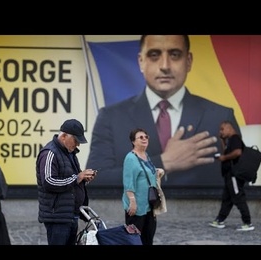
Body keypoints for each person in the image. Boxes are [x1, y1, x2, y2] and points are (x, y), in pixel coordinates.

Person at [86, 35, 241, 187]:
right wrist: (164, 162)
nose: (165, 66)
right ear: (141, 62)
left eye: (175, 55)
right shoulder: (111, 118)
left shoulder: (220, 117)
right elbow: (94, 180)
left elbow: (242, 180)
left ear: (188, 61)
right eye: (154, 55)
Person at [36, 119, 97, 245]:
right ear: (64, 136)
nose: (78, 145)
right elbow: (49, 182)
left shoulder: (70, 153)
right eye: (76, 140)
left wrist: (83, 179)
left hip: (70, 214)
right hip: (57, 217)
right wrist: (78, 178)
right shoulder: (50, 153)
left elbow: (73, 179)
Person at [209, 121, 254, 231]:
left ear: (229, 128)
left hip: (234, 176)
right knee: (227, 199)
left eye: (222, 129)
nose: (221, 132)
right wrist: (223, 141)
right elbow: (226, 152)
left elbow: (237, 152)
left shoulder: (235, 138)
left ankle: (247, 223)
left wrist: (224, 158)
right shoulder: (230, 140)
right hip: (229, 175)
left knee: (238, 198)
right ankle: (220, 220)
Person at [122, 128, 164, 245]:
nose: (144, 139)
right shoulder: (130, 158)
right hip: (137, 207)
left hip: (149, 205)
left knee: (148, 237)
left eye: (146, 137)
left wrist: (156, 172)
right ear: (133, 141)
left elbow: (143, 173)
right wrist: (132, 201)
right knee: (135, 239)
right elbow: (128, 181)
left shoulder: (145, 155)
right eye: (141, 137)